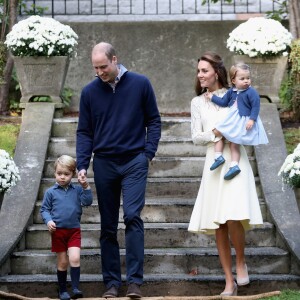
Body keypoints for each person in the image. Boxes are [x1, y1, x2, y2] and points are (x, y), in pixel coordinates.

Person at [76, 42, 161, 298]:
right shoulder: (89, 92)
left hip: (135, 160)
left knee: (133, 217)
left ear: (115, 60)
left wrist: (148, 153)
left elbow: (154, 120)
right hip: (104, 163)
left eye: (103, 66)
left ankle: (134, 282)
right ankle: (112, 283)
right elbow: (84, 131)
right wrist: (82, 163)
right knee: (108, 226)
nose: (100, 72)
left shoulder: (140, 83)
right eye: (95, 68)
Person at [188, 52, 263, 296]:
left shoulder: (235, 95)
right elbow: (196, 136)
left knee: (234, 215)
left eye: (204, 71)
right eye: (198, 71)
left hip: (235, 158)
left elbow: (248, 120)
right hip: (214, 160)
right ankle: (229, 281)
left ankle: (241, 261)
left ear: (217, 73)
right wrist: (217, 133)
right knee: (218, 222)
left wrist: (235, 130)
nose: (200, 75)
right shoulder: (197, 102)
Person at [40, 155, 93, 300]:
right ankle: (62, 290)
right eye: (59, 174)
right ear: (55, 173)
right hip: (58, 232)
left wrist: (85, 186)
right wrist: (48, 221)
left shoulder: (76, 190)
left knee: (75, 258)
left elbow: (87, 202)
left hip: (74, 230)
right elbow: (44, 209)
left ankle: (75, 288)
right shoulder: (51, 192)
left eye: (66, 174)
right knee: (63, 262)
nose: (62, 177)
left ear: (73, 174)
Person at [206, 63, 268, 180]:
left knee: (234, 144)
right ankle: (218, 156)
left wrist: (252, 120)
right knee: (217, 132)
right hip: (231, 119)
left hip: (242, 120)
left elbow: (255, 106)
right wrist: (212, 97)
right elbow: (224, 102)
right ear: (233, 80)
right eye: (242, 78)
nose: (246, 81)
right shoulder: (232, 91)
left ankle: (234, 165)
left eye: (248, 78)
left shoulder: (251, 92)